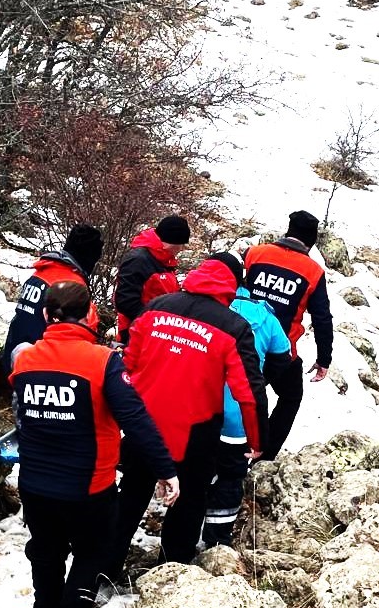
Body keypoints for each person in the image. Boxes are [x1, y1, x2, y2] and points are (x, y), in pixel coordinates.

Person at [12, 281, 177, 608]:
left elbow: (23, 416)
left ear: (45, 315)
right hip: (89, 485)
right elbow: (135, 419)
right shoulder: (101, 361)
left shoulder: (24, 360)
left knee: (46, 550)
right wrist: (165, 468)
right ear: (89, 314)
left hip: (35, 481)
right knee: (92, 553)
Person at [108, 255, 267, 577]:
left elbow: (128, 364)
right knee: (190, 499)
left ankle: (104, 568)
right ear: (232, 285)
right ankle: (172, 573)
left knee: (132, 494)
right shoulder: (234, 326)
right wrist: (256, 439)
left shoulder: (156, 307)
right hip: (196, 430)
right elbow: (249, 393)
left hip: (144, 421)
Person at [201, 251, 291, 547]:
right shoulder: (265, 317)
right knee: (230, 475)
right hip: (239, 416)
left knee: (194, 465)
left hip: (199, 406)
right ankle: (216, 537)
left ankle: (184, 522)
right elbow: (282, 359)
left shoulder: (199, 308)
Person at [244, 209, 334, 459]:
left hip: (238, 341)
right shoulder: (313, 271)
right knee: (291, 396)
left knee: (234, 397)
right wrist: (323, 358)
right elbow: (322, 318)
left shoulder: (255, 253)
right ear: (311, 241)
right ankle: (265, 455)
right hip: (278, 352)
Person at [0, 223, 103, 374]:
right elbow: (85, 333)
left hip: (14, 357)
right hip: (42, 368)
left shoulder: (39, 273)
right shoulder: (72, 287)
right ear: (90, 258)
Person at [114, 215, 188, 343]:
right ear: (172, 241)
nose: (182, 249)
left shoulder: (165, 260)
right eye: (181, 244)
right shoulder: (139, 259)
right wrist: (155, 320)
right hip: (137, 331)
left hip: (158, 330)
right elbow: (125, 301)